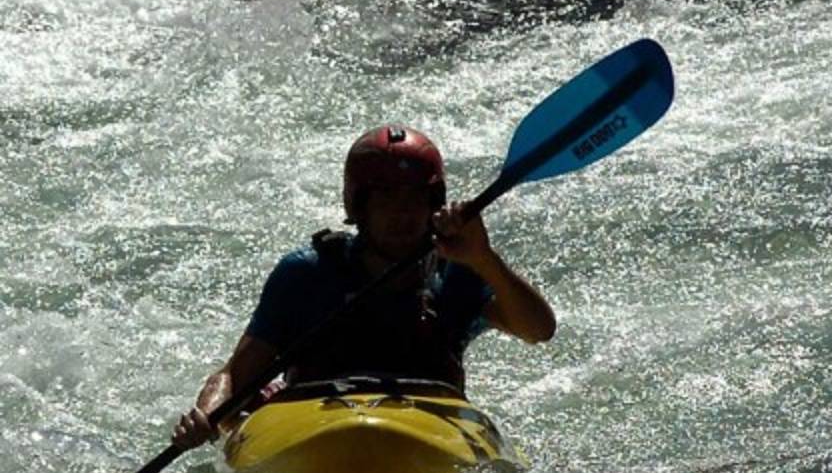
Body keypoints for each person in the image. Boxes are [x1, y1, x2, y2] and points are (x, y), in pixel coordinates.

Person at [171, 124, 556, 449]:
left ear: (433, 204)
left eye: (414, 198)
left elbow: (540, 330)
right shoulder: (307, 273)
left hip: (428, 427)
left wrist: (484, 258)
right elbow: (233, 377)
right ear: (359, 207)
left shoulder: (460, 271)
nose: (402, 213)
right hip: (315, 423)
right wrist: (206, 416)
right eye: (387, 197)